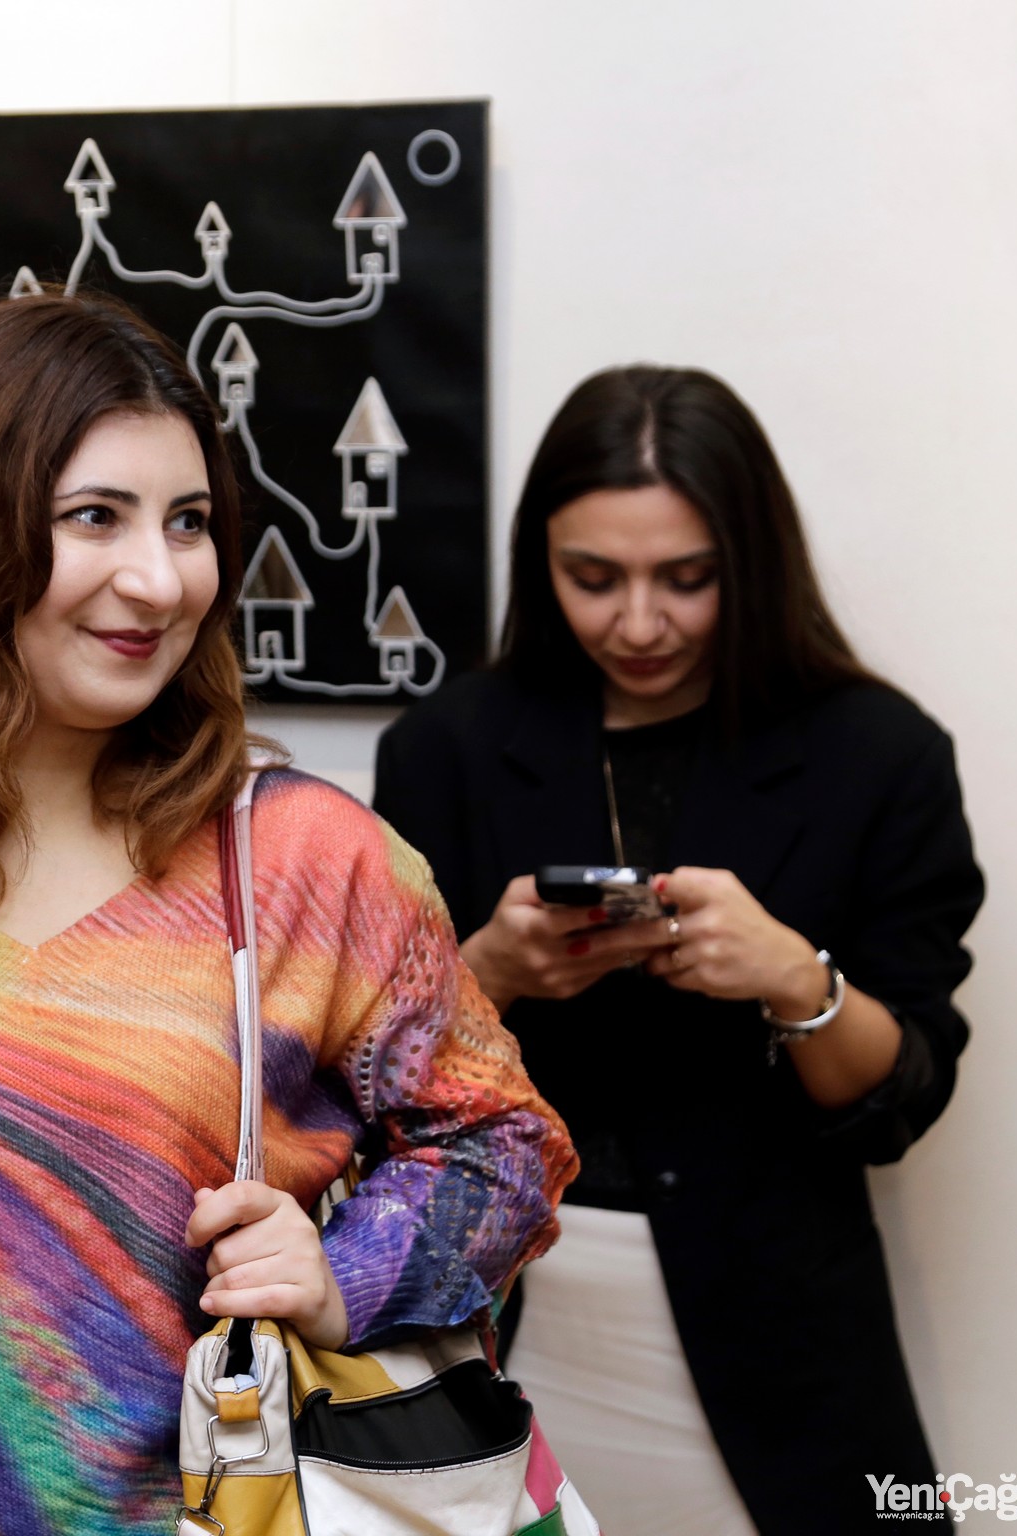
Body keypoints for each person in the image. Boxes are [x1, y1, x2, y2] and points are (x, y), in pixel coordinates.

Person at [0, 289, 578, 1534]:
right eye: (94, 516)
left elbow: (504, 1144)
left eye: (188, 521)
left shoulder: (304, 859)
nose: (158, 579)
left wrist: (343, 1272)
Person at [373, 366, 983, 1536]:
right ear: (539, 561)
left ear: (749, 563)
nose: (638, 623)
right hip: (497, 1312)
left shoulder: (878, 755)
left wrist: (792, 979)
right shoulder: (445, 749)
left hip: (775, 1327)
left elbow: (900, 1101)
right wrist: (487, 976)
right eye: (592, 578)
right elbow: (362, 1083)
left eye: (686, 579)